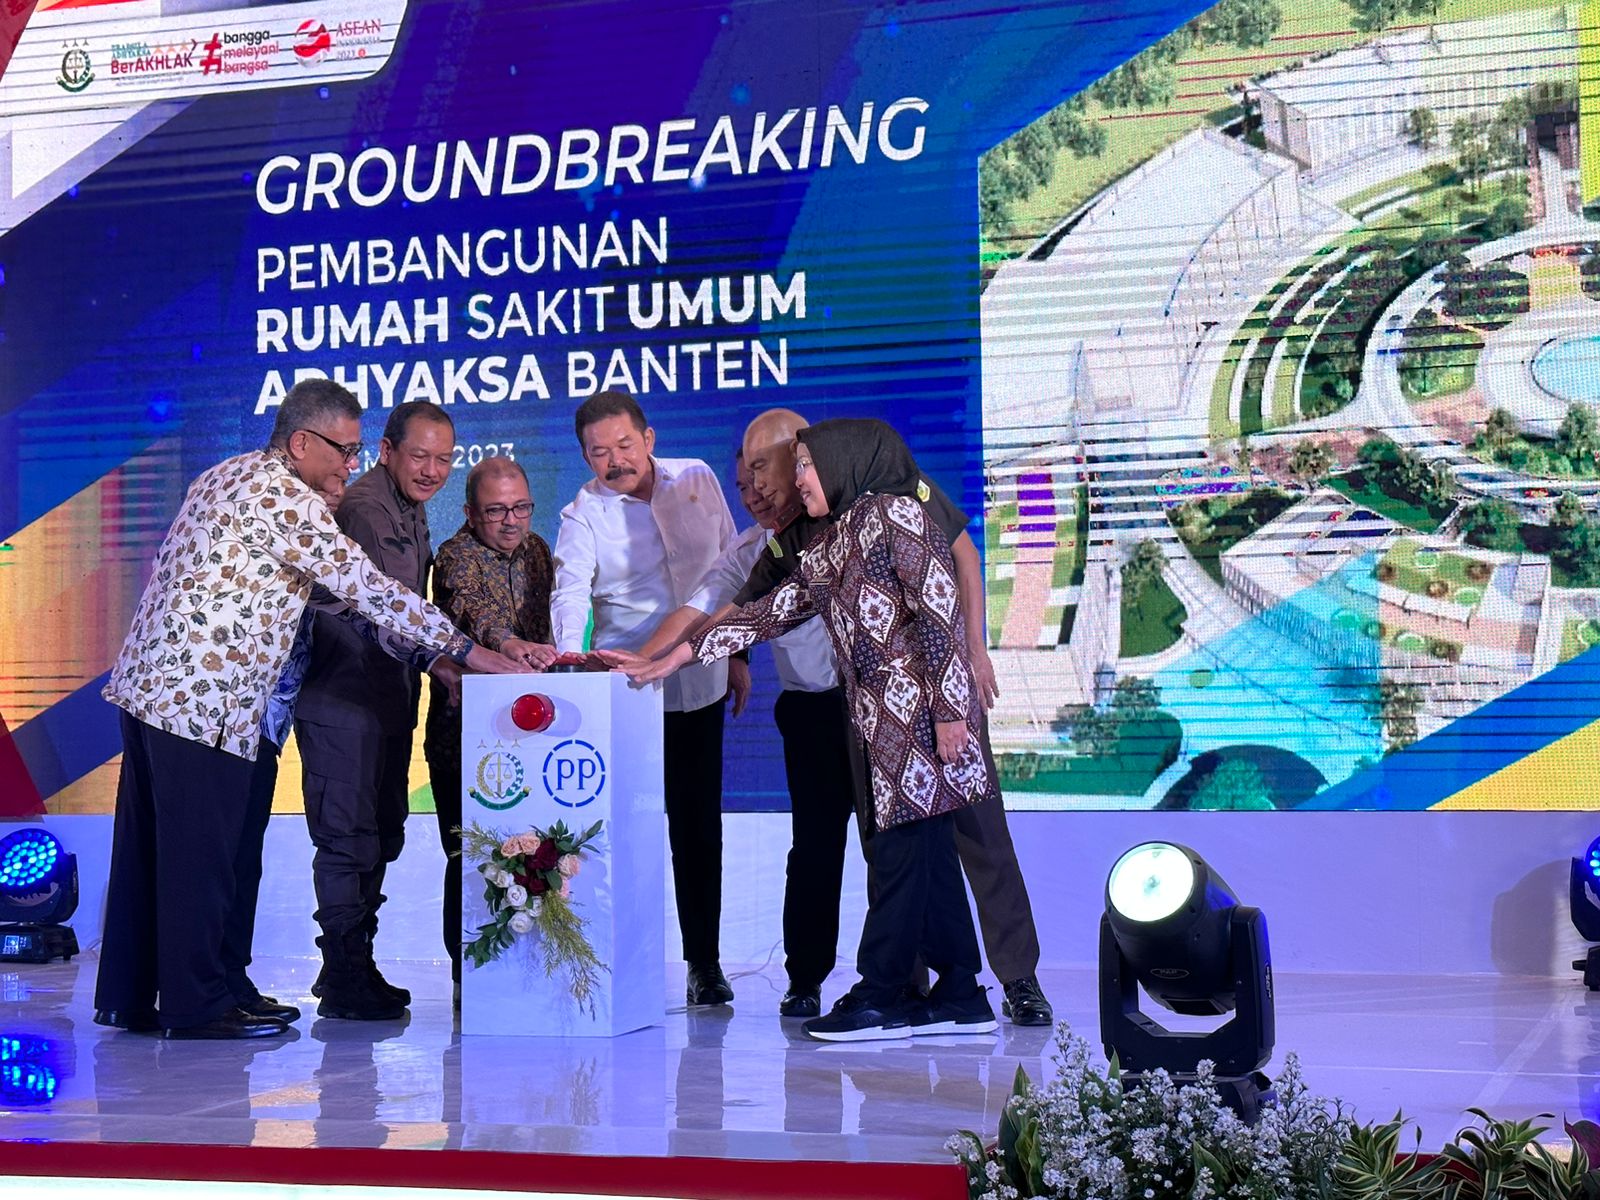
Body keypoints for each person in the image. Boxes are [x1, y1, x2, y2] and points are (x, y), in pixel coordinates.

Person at [94, 378, 522, 1040]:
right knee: (204, 859)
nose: (351, 465)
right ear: (301, 442)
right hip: (206, 701)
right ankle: (197, 1004)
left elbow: (318, 594)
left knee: (158, 852)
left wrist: (436, 656)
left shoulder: (228, 474)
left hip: (157, 691)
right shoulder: (284, 497)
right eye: (344, 450)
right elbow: (367, 587)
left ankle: (148, 994)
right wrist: (465, 649)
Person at [648, 408, 1054, 1027]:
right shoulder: (818, 539)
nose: (763, 485)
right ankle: (942, 989)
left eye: (782, 466)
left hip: (931, 713)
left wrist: (958, 695)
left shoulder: (898, 504)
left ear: (826, 459)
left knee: (957, 842)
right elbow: (763, 610)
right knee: (909, 854)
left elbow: (944, 600)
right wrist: (679, 654)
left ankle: (973, 982)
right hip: (873, 721)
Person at [550, 390, 742, 1007]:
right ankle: (618, 961)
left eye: (625, 445)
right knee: (624, 832)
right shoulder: (582, 515)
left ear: (649, 438)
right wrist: (568, 655)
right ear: (585, 457)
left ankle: (704, 963)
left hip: (703, 679)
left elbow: (735, 564)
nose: (615, 461)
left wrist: (738, 654)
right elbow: (568, 592)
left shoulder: (698, 478)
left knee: (698, 827)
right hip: (629, 693)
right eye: (598, 452)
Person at [661, 451, 857, 1019]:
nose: (753, 496)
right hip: (811, 711)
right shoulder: (752, 550)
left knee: (895, 847)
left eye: (762, 481)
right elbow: (705, 607)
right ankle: (805, 980)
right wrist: (652, 661)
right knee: (815, 847)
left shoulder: (856, 526)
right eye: (743, 487)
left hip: (876, 704)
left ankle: (906, 980)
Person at [423, 456, 555, 994]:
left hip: (532, 739)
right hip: (464, 737)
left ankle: (534, 971)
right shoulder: (454, 555)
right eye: (496, 510)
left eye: (521, 507)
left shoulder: (538, 551)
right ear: (470, 513)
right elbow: (471, 608)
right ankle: (468, 980)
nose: (511, 521)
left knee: (535, 853)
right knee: (470, 856)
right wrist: (508, 644)